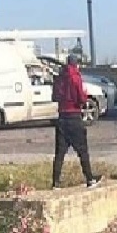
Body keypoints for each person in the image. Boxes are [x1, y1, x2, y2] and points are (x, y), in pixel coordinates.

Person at [51, 54, 102, 189]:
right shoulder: (76, 77)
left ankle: (55, 182)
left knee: (60, 153)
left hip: (62, 118)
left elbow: (54, 97)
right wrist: (84, 94)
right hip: (74, 116)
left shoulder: (59, 78)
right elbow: (82, 99)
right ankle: (90, 179)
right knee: (82, 151)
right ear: (76, 64)